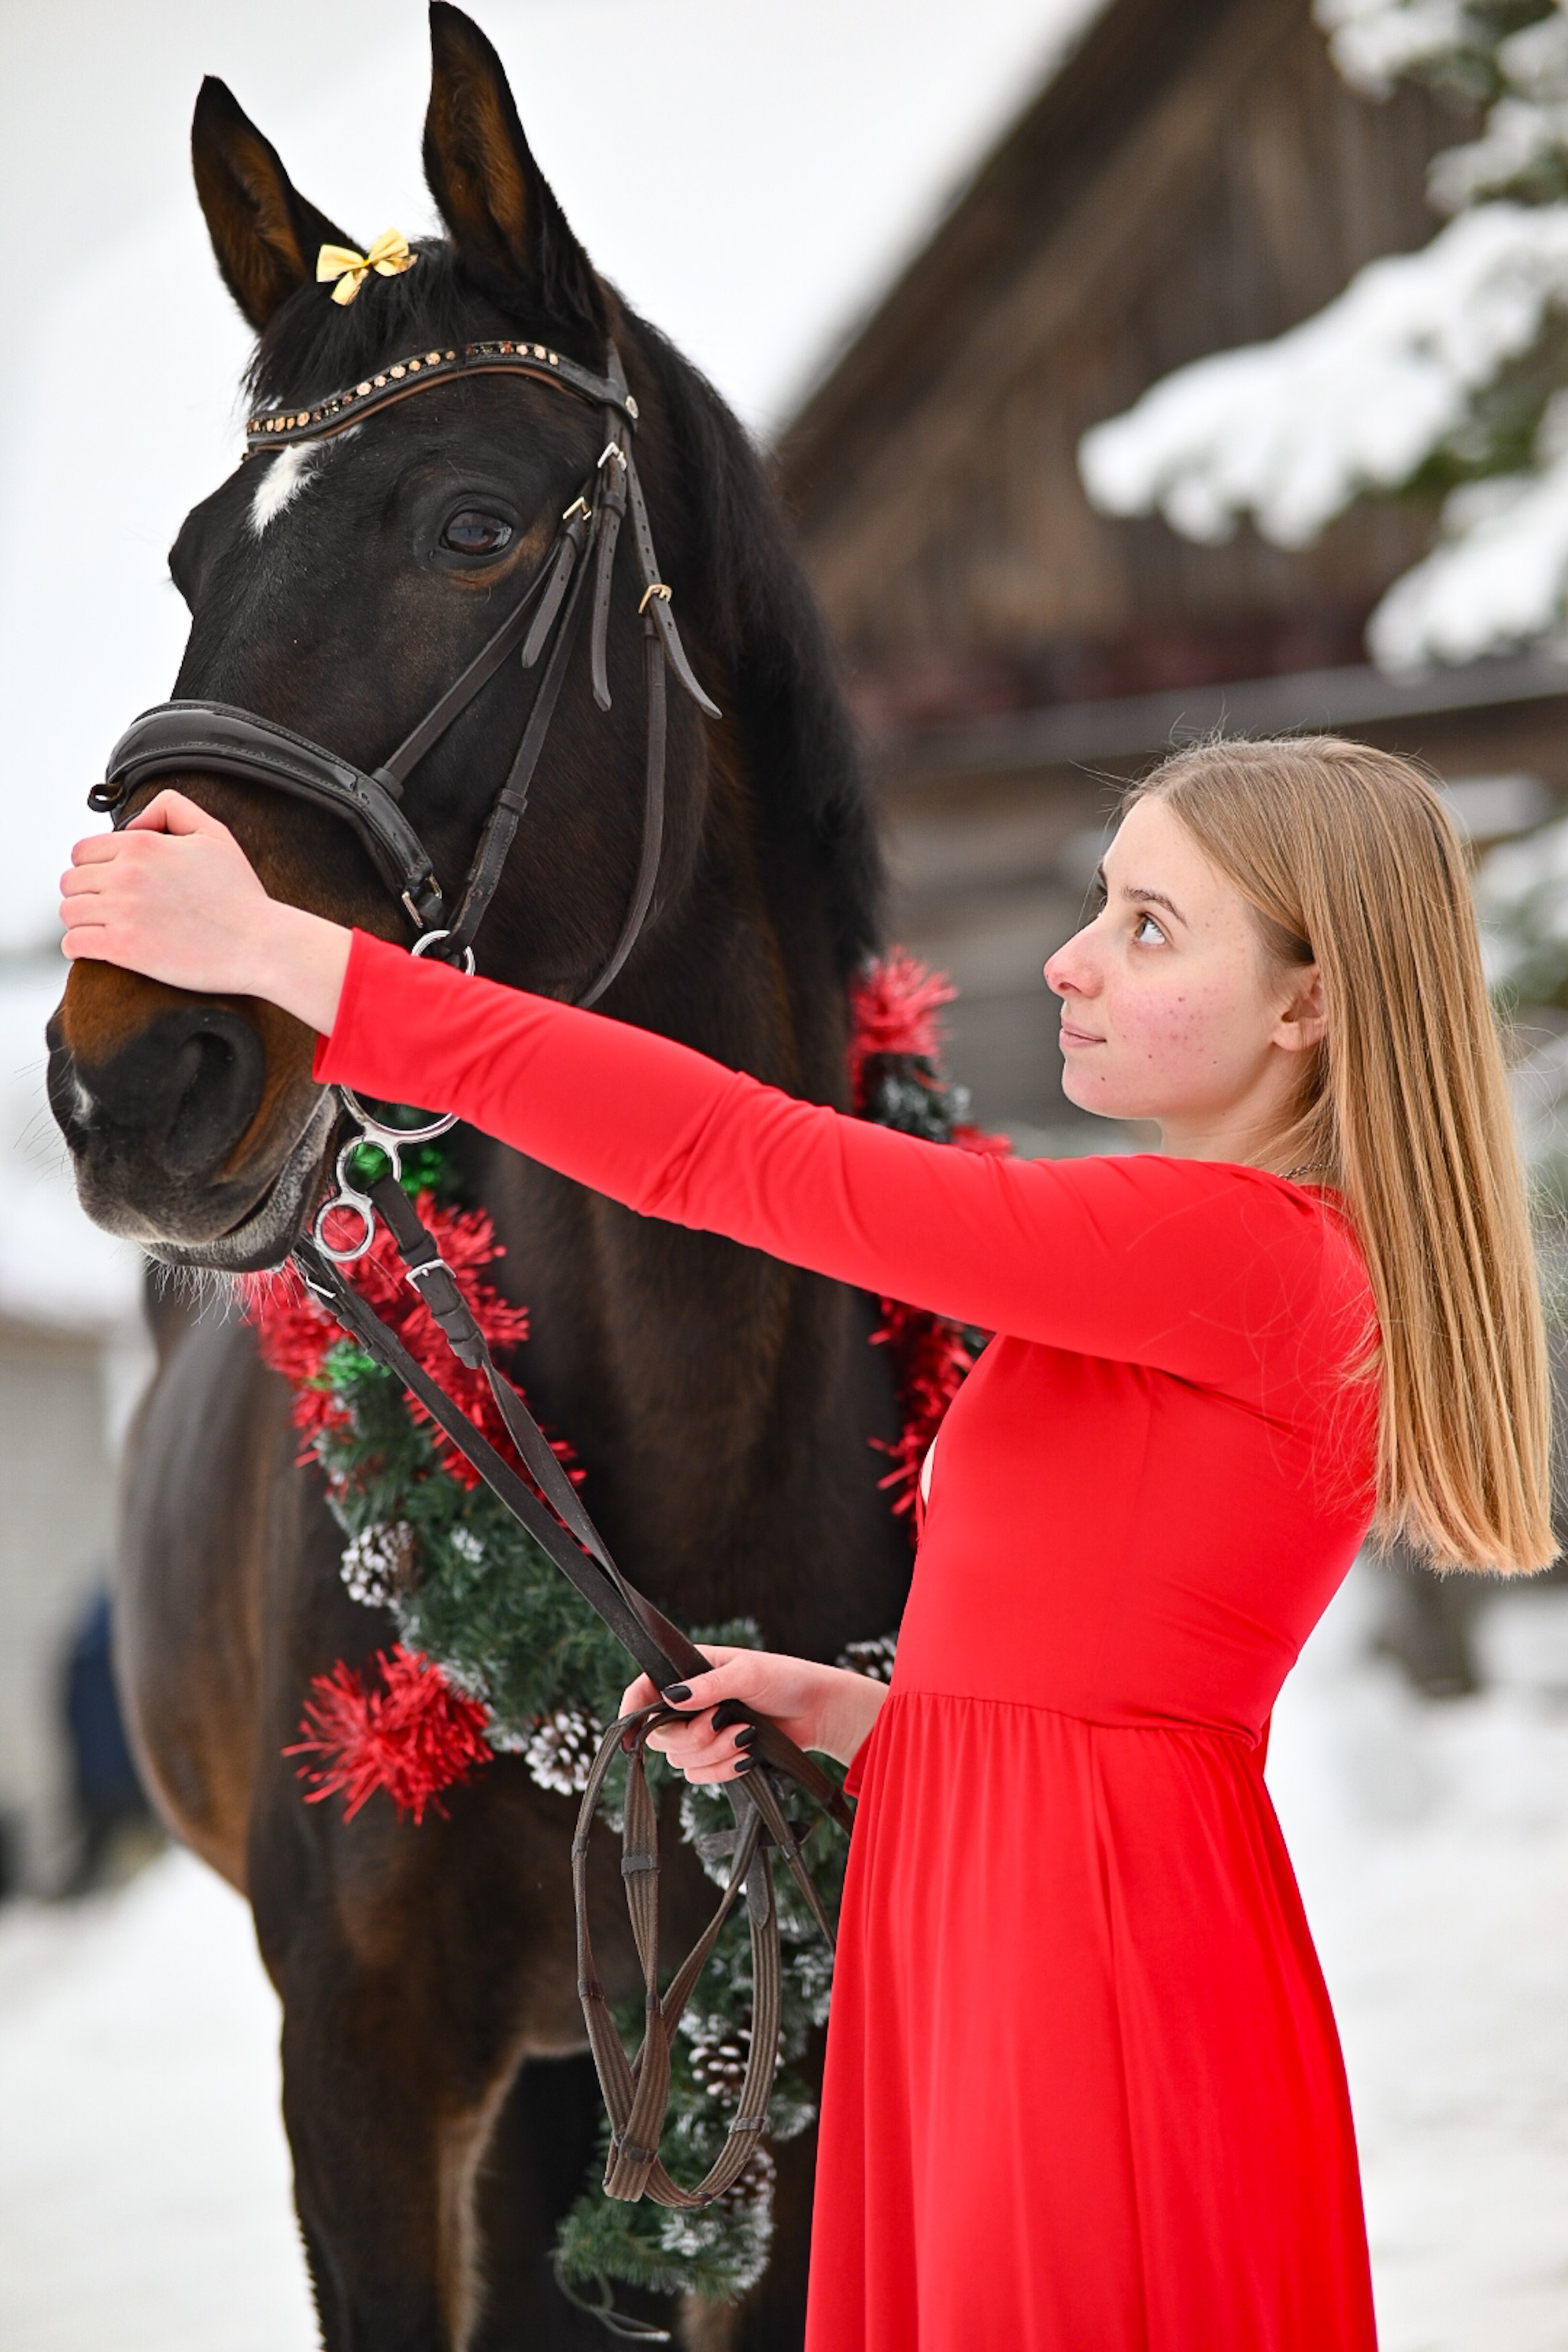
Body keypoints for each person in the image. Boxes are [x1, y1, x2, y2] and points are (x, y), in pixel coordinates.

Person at [60, 735, 1554, 2350]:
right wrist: (857, 1720)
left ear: (1306, 1005)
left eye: (1149, 927)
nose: (1069, 959)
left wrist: (292, 956)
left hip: (1087, 1970)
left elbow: (738, 1160)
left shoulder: (1235, 1251)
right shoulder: (1191, 1263)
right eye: (1100, 906)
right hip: (1025, 1916)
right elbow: (1115, 1692)